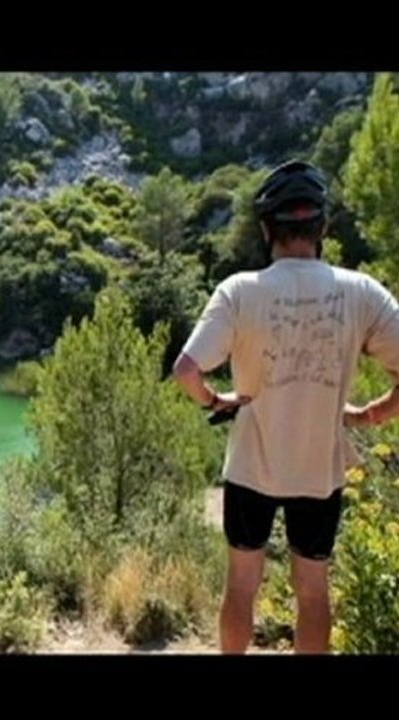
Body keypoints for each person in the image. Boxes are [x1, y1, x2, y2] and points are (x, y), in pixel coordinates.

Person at [172, 159, 399, 654]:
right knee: (313, 591)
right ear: (322, 227)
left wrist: (217, 400)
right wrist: (373, 413)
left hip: (251, 469)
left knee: (241, 585)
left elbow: (186, 371)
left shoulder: (239, 291)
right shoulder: (362, 294)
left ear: (265, 229)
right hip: (320, 471)